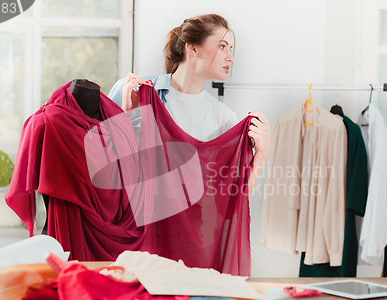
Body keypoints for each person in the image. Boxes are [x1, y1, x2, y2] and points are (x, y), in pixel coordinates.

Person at [108, 14, 270, 194]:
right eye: (222, 46)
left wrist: (261, 155)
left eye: (230, 49)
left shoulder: (224, 118)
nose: (230, 57)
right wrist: (125, 115)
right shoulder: (132, 91)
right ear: (192, 48)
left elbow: (231, 197)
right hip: (131, 218)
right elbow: (97, 163)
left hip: (188, 221)